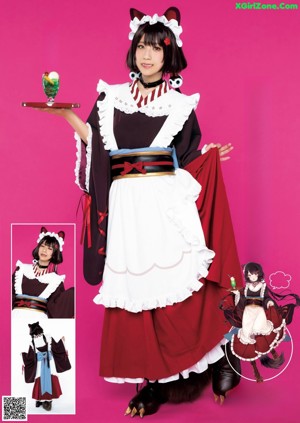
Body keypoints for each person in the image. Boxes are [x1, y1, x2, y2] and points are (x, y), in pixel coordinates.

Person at [38, 6, 242, 416]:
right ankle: (153, 383)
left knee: (176, 289)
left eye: (156, 49)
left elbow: (183, 157)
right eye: (142, 47)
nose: (147, 55)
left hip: (163, 203)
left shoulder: (181, 104)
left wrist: (207, 156)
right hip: (126, 207)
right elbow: (98, 147)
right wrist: (65, 116)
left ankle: (218, 357)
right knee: (136, 297)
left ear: (169, 55)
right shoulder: (110, 96)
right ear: (134, 51)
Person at [220, 262, 300, 382]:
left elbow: (267, 297)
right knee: (247, 331)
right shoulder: (246, 288)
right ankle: (252, 342)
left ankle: (266, 346)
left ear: (259, 274)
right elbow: (242, 301)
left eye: (255, 274)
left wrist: (269, 302)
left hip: (259, 310)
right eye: (250, 274)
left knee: (261, 326)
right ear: (247, 275)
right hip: (248, 311)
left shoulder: (263, 287)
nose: (253, 276)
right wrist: (237, 295)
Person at [12, 226, 74, 319]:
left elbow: (55, 308)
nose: (44, 250)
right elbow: (9, 295)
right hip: (16, 318)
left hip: (40, 322)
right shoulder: (21, 270)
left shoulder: (55, 280)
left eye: (49, 248)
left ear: (54, 253)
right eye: (42, 246)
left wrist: (73, 295)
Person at [22, 321, 71, 411]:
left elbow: (29, 357)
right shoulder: (47, 336)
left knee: (40, 379)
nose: (37, 336)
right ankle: (46, 400)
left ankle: (40, 400)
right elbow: (57, 347)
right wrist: (62, 341)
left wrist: (23, 357)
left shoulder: (33, 341)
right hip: (48, 362)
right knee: (48, 379)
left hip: (42, 363)